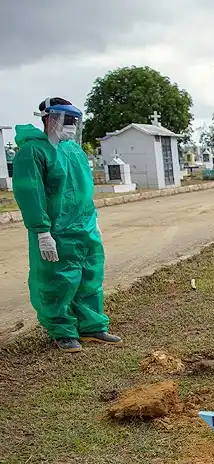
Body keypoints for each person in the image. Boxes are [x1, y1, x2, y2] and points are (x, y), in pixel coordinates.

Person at [12, 98, 120, 353]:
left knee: (89, 276)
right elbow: (30, 193)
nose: (71, 126)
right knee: (57, 280)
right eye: (66, 120)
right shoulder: (33, 152)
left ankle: (92, 326)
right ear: (49, 118)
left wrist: (94, 221)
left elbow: (84, 191)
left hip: (84, 228)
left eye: (74, 121)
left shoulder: (74, 151)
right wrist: (42, 232)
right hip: (56, 231)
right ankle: (62, 330)